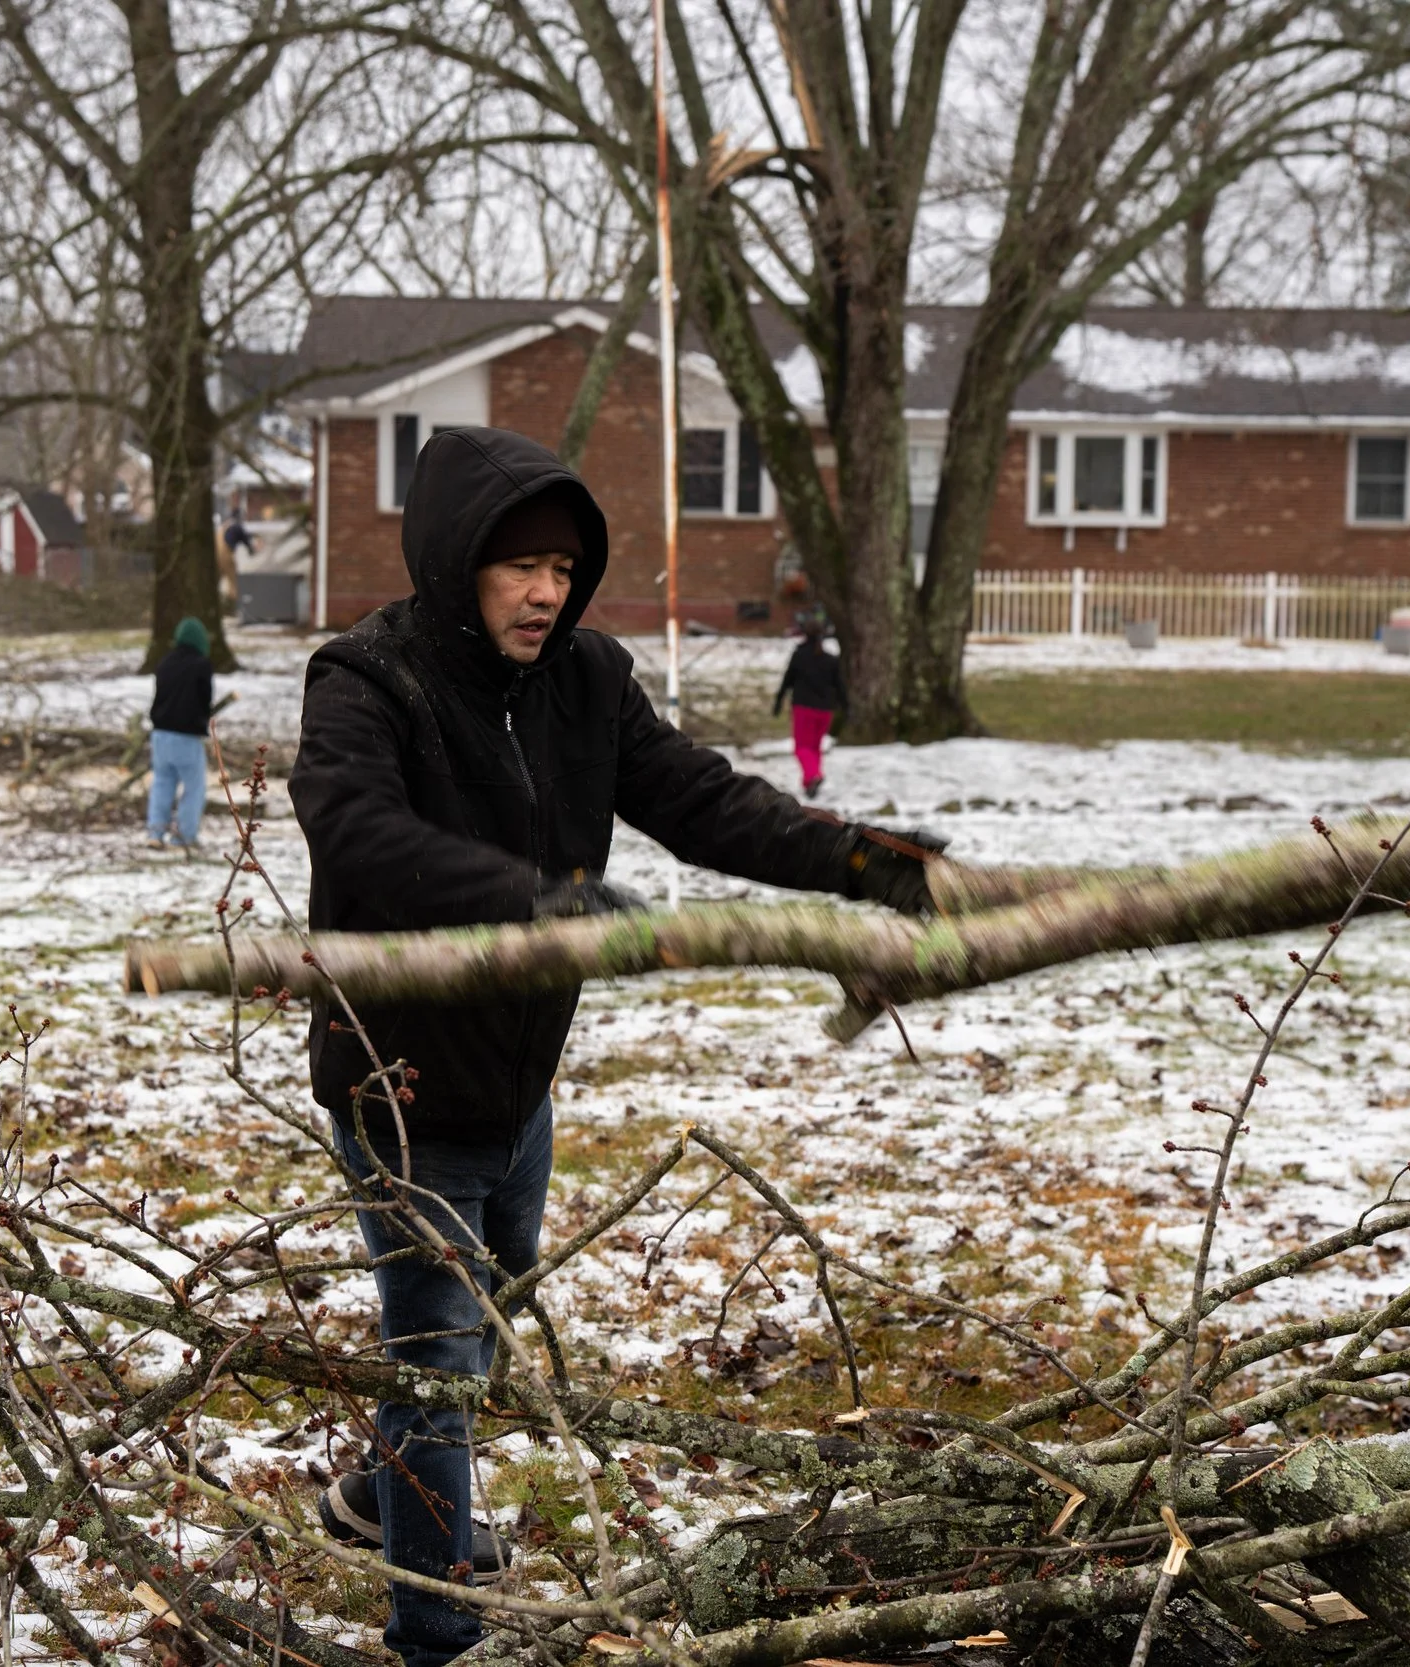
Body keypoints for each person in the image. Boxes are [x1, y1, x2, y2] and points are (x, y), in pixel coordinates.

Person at [288, 427, 942, 1667]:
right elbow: (353, 825)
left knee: (482, 1313)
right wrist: (524, 897)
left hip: (518, 1082)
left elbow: (700, 798)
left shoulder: (586, 678)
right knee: (437, 1356)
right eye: (518, 565)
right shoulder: (368, 680)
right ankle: (437, 1631)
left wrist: (865, 863)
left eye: (562, 567)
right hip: (400, 1081)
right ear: (455, 560)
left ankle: (376, 1499)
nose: (544, 591)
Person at [147, 616, 214, 847]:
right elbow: (205, 701)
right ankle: (184, 836)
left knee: (162, 783)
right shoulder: (201, 665)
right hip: (186, 736)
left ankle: (155, 832)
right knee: (194, 787)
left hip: (160, 735)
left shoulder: (165, 662)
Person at [773, 612, 846, 798]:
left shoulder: (799, 656)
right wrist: (846, 706)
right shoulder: (831, 659)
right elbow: (840, 685)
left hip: (804, 708)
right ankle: (809, 784)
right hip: (825, 710)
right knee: (814, 748)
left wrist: (778, 701)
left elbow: (787, 680)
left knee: (802, 748)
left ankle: (814, 775)